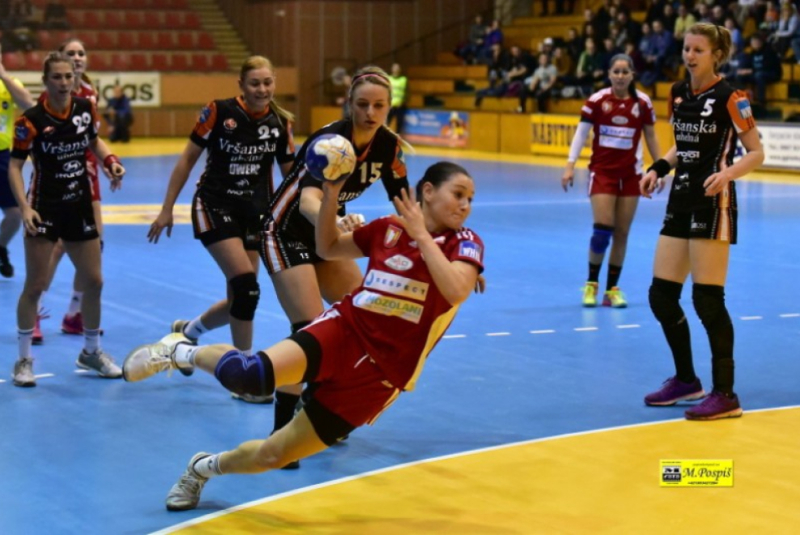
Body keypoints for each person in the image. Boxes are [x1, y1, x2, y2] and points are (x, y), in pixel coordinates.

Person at [121, 161, 484, 511]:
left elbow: (455, 290)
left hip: (382, 376)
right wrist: (331, 201)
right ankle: (178, 351)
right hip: (344, 331)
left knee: (274, 455)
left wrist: (421, 235)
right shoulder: (388, 228)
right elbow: (327, 248)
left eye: (470, 198)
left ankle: (202, 468)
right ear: (428, 191)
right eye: (458, 194)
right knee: (250, 376)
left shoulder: (465, 244)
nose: (465, 205)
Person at [640, 23, 764, 420]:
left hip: (714, 201)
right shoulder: (678, 92)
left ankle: (726, 394)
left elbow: (756, 152)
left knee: (707, 299)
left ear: (716, 55)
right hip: (681, 198)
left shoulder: (733, 98)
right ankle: (686, 380)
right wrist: (658, 167)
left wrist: (727, 174)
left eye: (698, 50)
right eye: (686, 48)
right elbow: (682, 144)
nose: (690, 56)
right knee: (662, 296)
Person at [148, 56, 296, 363]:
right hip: (214, 205)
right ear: (241, 85)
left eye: (267, 82)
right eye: (254, 83)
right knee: (246, 287)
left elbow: (291, 176)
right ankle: (244, 368)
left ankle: (187, 331)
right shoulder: (220, 111)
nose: (262, 89)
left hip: (254, 213)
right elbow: (187, 159)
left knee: (242, 298)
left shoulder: (280, 123)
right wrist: (167, 208)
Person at [9, 51, 126, 387]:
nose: (63, 82)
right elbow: (15, 167)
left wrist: (110, 162)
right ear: (45, 81)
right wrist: (25, 207)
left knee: (94, 281)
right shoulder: (30, 121)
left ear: (75, 79)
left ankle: (91, 351)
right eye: (56, 77)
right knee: (35, 286)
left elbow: (94, 141)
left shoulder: (85, 109)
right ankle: (23, 361)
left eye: (68, 76)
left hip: (78, 205)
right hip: (44, 208)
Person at [562, 54, 662, 308]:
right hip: (603, 173)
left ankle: (612, 290)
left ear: (632, 75)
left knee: (622, 233)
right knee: (602, 230)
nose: (620, 76)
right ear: (609, 74)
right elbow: (581, 133)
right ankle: (591, 284)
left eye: (625, 72)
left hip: (631, 175)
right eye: (616, 72)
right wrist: (570, 165)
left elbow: (651, 136)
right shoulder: (597, 101)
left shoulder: (642, 103)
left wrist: (659, 168)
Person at [36, 38, 114, 343]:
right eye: (71, 53)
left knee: (96, 244)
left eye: (81, 53)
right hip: (61, 176)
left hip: (87, 175)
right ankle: (36, 310)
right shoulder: (54, 94)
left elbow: (92, 138)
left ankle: (74, 314)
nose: (78, 57)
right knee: (57, 247)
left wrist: (108, 162)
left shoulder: (90, 93)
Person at [0, 45, 34, 278]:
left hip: (2, 156)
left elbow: (28, 104)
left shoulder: (9, 84)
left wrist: (3, 76)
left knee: (15, 214)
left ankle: (1, 247)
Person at [387, 63, 407, 134]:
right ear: (392, 69)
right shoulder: (388, 79)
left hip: (400, 106)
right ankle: (385, 137)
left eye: (397, 68)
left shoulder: (404, 80)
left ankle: (398, 137)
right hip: (390, 106)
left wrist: (403, 102)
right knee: (387, 123)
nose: (396, 70)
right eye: (394, 68)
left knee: (399, 124)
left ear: (400, 70)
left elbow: (407, 93)